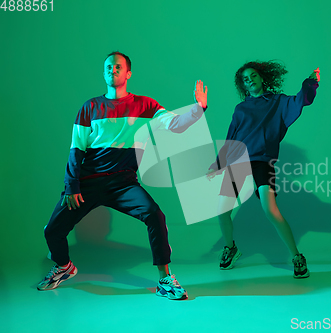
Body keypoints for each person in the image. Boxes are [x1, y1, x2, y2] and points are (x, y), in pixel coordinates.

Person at [37, 51, 208, 299]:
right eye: (108, 67)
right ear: (104, 73)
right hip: (87, 184)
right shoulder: (90, 107)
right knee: (52, 231)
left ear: (128, 73)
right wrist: (71, 186)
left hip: (124, 184)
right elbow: (76, 149)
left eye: (118, 66)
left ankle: (165, 279)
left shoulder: (146, 105)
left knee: (155, 215)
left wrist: (197, 109)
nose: (112, 70)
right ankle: (64, 267)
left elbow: (175, 124)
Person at [207, 60, 320, 278]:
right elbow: (231, 139)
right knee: (222, 210)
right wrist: (219, 163)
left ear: (262, 78)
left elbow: (300, 101)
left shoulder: (277, 102)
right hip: (238, 162)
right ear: (243, 86)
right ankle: (231, 248)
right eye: (245, 80)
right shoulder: (240, 109)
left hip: (262, 161)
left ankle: (297, 256)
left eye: (253, 76)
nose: (250, 81)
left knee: (270, 210)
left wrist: (310, 84)